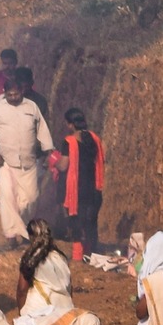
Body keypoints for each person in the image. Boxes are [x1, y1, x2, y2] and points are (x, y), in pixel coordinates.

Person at [0, 71, 53, 246]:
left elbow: (42, 129)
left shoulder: (32, 107)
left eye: (16, 94)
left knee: (30, 199)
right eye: (10, 94)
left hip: (29, 161)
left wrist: (48, 151)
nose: (13, 97)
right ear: (4, 93)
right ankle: (11, 237)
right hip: (4, 162)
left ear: (22, 92)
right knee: (7, 198)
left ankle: (23, 226)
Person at [54, 107, 103, 256]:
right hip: (94, 186)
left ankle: (77, 253)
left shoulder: (69, 142)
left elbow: (63, 166)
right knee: (90, 220)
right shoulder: (95, 138)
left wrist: (53, 161)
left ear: (70, 124)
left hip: (77, 188)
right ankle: (91, 251)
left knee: (76, 219)